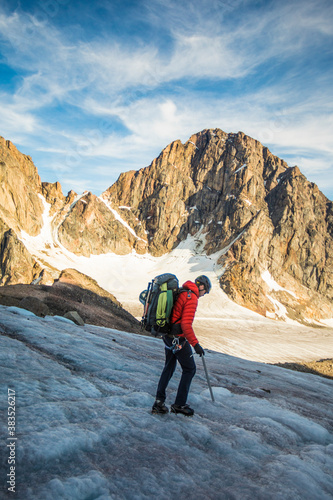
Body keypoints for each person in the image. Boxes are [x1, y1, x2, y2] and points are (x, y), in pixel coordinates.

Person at [152, 275, 212, 416]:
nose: (204, 295)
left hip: (167, 336)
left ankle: (159, 403)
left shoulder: (182, 292)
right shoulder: (192, 298)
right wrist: (195, 345)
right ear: (202, 287)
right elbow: (185, 324)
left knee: (169, 368)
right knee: (189, 369)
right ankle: (179, 404)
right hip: (177, 339)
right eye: (205, 292)